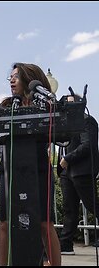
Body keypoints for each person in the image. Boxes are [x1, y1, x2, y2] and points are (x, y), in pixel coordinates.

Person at [0, 62, 61, 266]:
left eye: (16, 76)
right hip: (11, 168)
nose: (12, 80)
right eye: (10, 77)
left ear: (29, 79)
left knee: (44, 223)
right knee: (5, 223)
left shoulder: (44, 104)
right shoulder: (6, 105)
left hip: (38, 167)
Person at [58, 94, 99, 255]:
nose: (66, 107)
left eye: (69, 103)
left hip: (82, 171)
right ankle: (66, 244)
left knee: (93, 205)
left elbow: (88, 144)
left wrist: (67, 158)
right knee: (69, 209)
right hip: (66, 172)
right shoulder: (65, 123)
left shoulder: (87, 120)